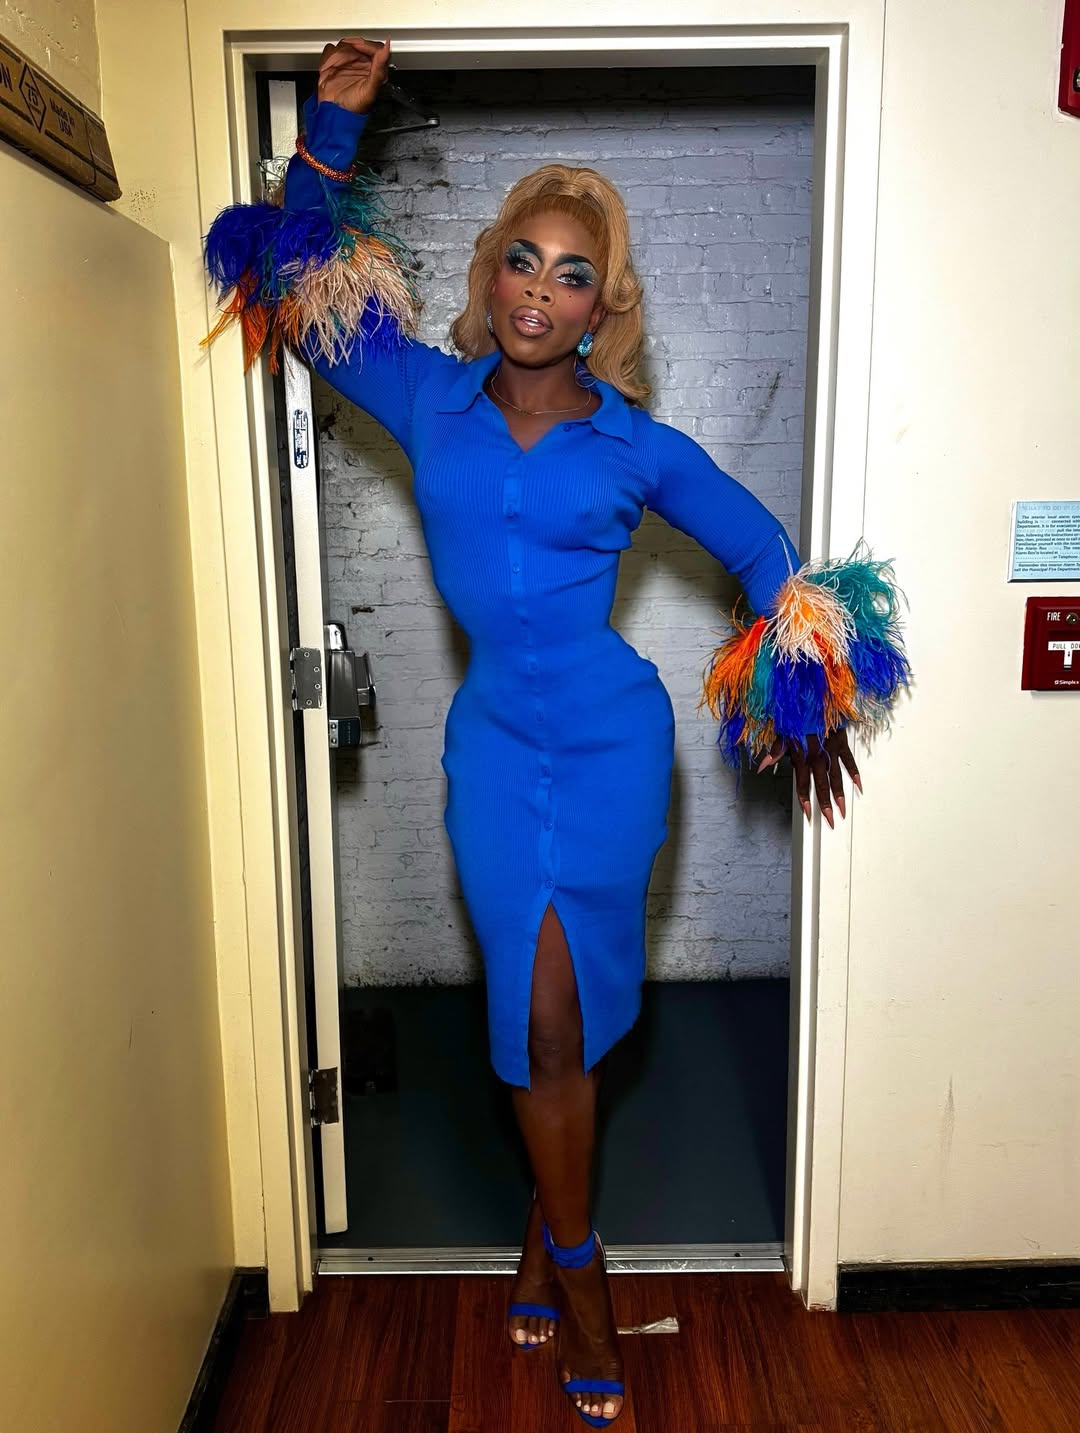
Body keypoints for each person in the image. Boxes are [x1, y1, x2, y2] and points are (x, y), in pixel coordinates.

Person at [203, 36, 908, 1428]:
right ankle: (574, 1252)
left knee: (562, 1017)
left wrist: (801, 697)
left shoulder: (635, 445)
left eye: (572, 273)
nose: (539, 287)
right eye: (521, 260)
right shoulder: (426, 395)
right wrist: (331, 128)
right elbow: (289, 280)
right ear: (491, 279)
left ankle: (562, 1256)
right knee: (534, 1022)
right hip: (491, 751)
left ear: (601, 307)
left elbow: (768, 552)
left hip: (609, 751)